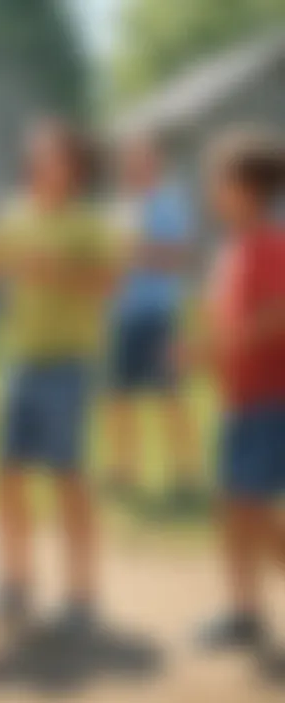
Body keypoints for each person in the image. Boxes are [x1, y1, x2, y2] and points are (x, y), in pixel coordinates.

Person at [0, 120, 119, 629]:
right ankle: (15, 582)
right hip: (19, 359)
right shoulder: (12, 213)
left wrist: (51, 269)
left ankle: (82, 596)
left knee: (68, 477)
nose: (40, 164)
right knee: (6, 473)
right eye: (37, 156)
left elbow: (106, 283)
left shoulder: (90, 222)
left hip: (68, 361)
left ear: (75, 169)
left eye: (51, 156)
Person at [190, 129, 285, 652]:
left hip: (269, 400)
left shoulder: (270, 243)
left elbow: (278, 314)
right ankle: (244, 612)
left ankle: (245, 610)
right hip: (239, 398)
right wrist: (206, 349)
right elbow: (228, 315)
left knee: (250, 505)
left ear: (247, 189)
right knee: (234, 506)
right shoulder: (235, 247)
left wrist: (217, 346)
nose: (212, 188)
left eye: (220, 180)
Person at [104, 136, 201, 508]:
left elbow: (176, 256)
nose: (133, 169)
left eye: (141, 162)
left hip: (158, 314)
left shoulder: (167, 204)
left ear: (155, 165)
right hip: (122, 315)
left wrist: (134, 249)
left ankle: (187, 472)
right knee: (118, 397)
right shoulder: (119, 207)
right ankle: (123, 470)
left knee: (170, 396)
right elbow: (112, 258)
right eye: (128, 162)